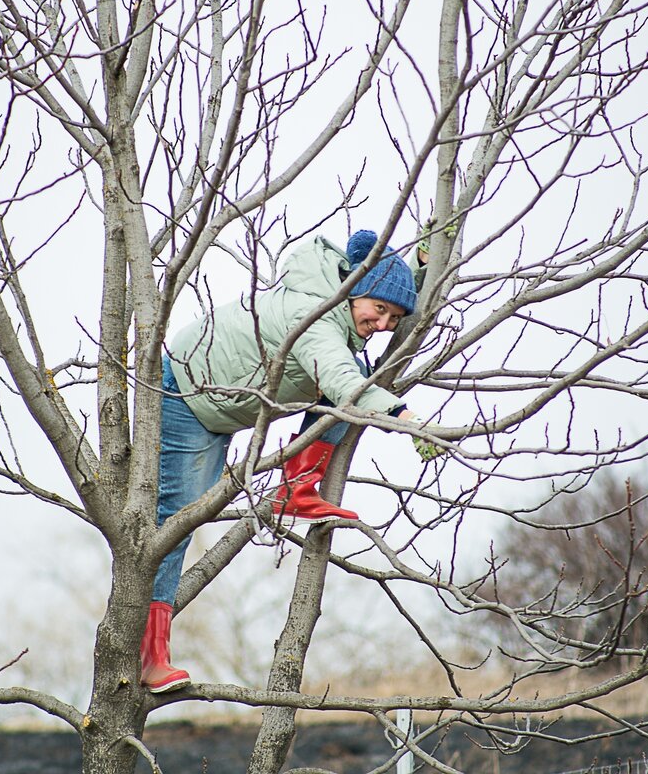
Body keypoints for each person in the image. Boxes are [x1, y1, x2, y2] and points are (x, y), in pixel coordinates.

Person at [141, 229, 432, 693]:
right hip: (185, 394)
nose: (384, 325)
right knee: (171, 526)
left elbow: (382, 292)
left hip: (221, 406)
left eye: (395, 319)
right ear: (356, 289)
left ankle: (295, 489)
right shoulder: (313, 316)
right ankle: (150, 658)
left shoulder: (342, 301)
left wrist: (421, 262)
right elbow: (338, 379)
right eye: (380, 311)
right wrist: (404, 415)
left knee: (356, 377)